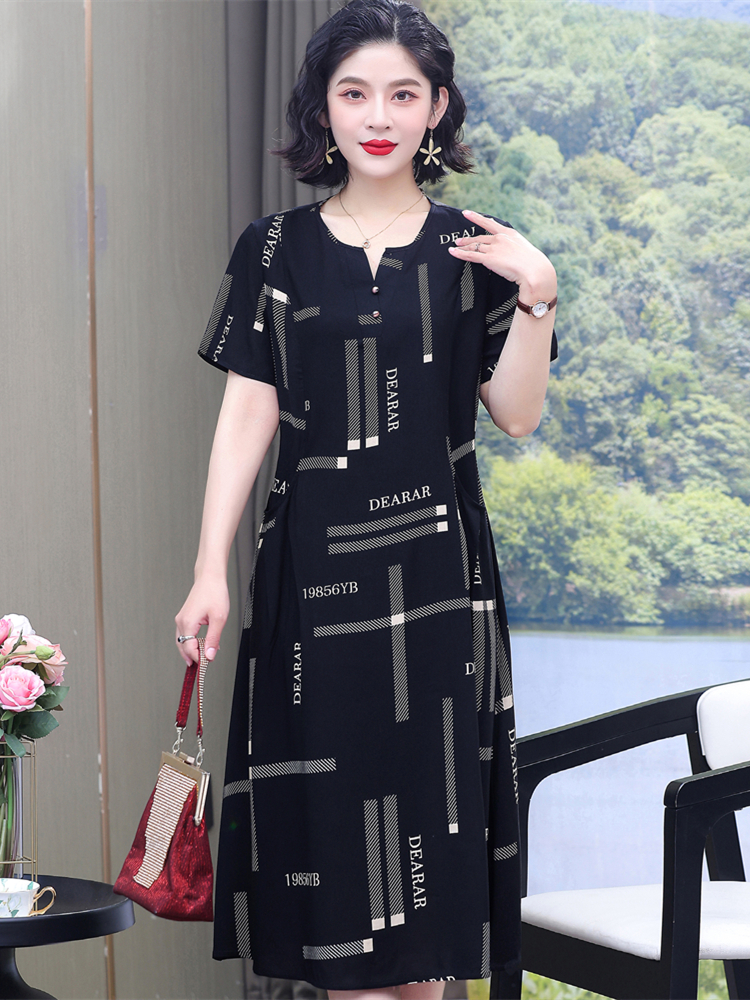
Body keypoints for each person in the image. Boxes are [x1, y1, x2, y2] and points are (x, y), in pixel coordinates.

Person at [175, 1, 557, 997]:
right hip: (314, 583)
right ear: (323, 109)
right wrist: (209, 570)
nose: (377, 116)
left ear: (437, 108)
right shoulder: (273, 248)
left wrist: (538, 292)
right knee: (337, 880)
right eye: (354, 94)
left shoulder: (479, 250)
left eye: (401, 94)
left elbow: (516, 415)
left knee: (430, 881)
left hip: (438, 586)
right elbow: (246, 415)